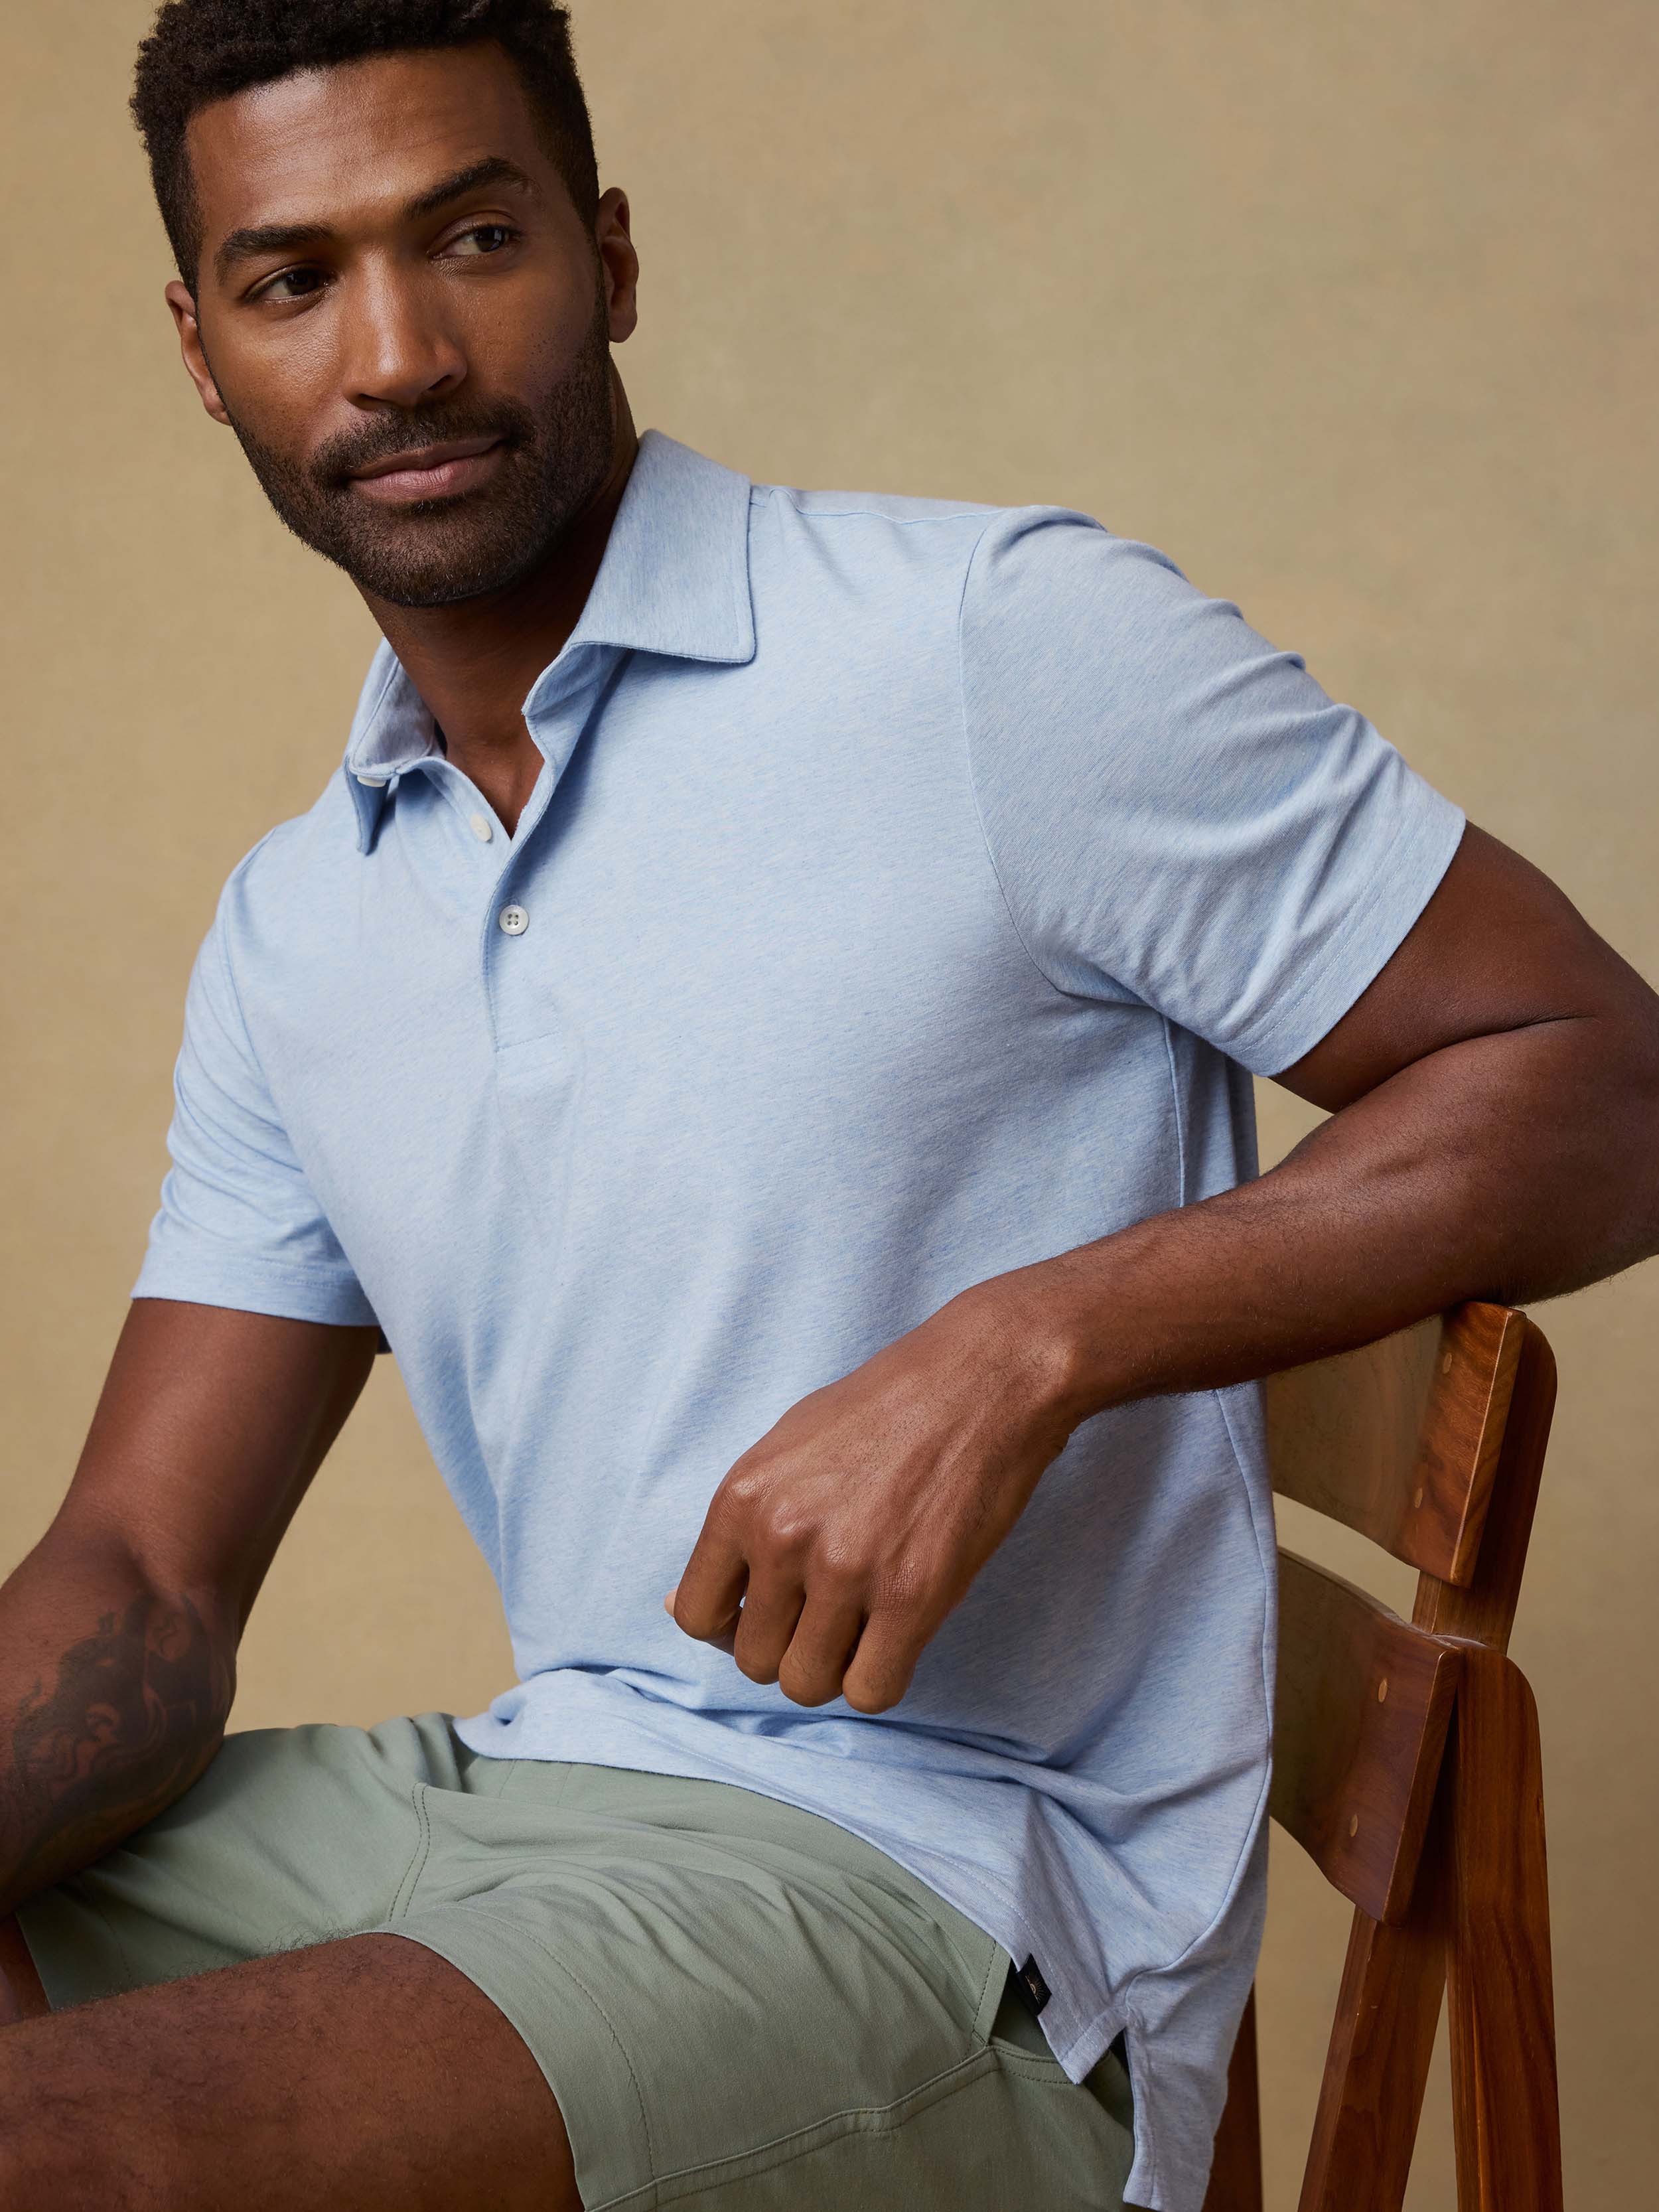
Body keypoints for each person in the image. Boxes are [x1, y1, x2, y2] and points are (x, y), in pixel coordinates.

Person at [1, 3, 1654, 2207]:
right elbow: (136, 1573)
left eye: (470, 237)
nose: (393, 354)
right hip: (517, 1797)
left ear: (603, 255)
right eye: (294, 278)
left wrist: (1024, 1343)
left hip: (945, 1894)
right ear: (206, 347)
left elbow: (1604, 1081)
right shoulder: (302, 921)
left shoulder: (983, 649)